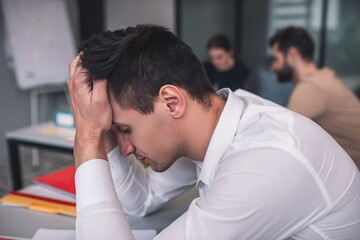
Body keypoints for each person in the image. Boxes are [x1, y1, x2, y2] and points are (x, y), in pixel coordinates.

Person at [68, 25, 360, 240]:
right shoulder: (219, 119)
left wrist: (88, 137)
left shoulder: (266, 161)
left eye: (125, 130)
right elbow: (141, 199)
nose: (126, 148)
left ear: (171, 102)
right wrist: (101, 131)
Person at [269, 27, 360, 170]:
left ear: (292, 55)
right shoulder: (321, 78)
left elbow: (277, 130)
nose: (272, 67)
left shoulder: (312, 87)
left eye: (276, 59)